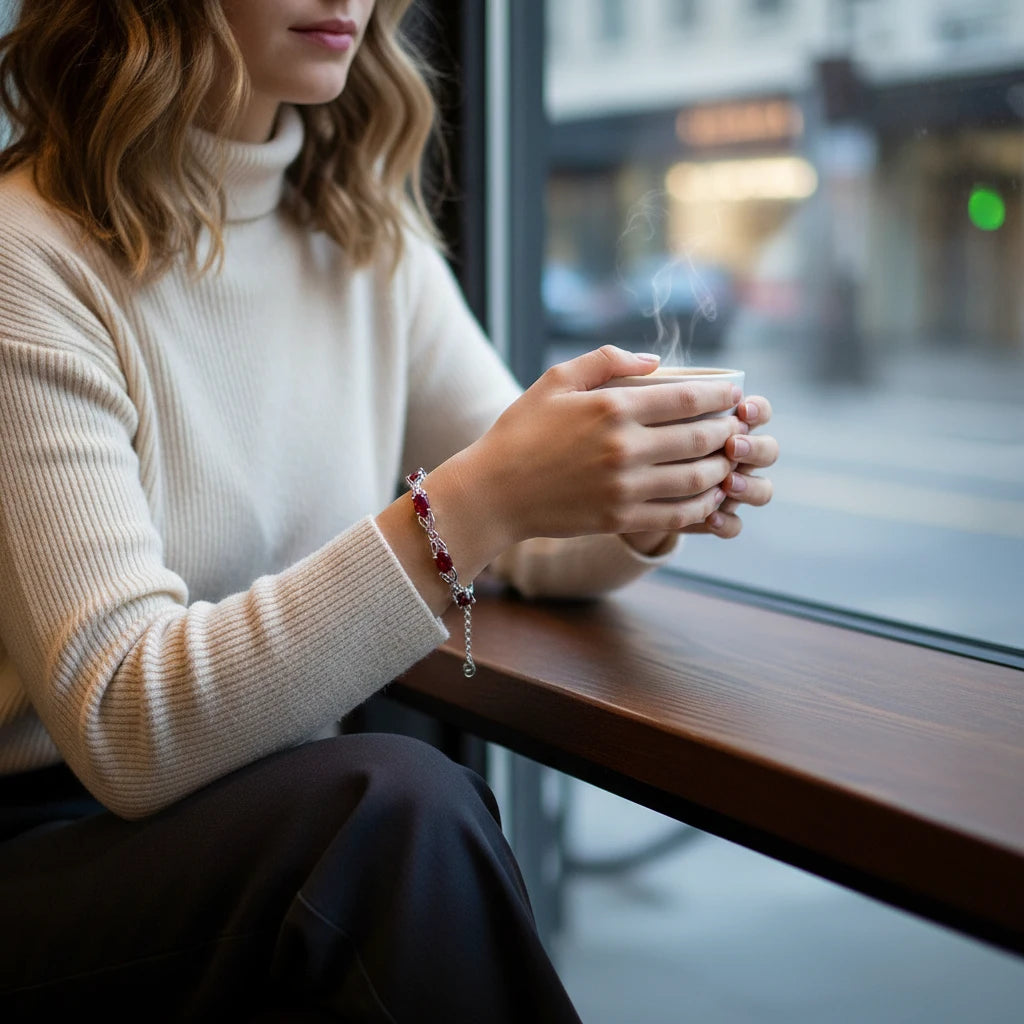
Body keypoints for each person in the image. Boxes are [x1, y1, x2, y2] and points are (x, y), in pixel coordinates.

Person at [0, 0, 778, 1019]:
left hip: (256, 813)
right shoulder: (27, 256)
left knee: (389, 816)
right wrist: (479, 502)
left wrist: (639, 490)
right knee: (395, 813)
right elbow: (122, 722)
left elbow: (526, 528)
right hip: (38, 847)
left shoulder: (360, 229)